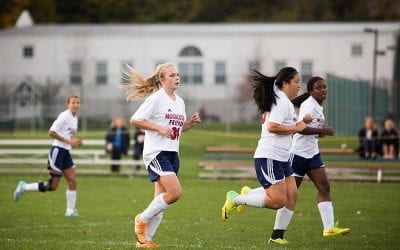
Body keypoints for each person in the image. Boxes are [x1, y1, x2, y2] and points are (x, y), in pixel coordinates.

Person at [220, 67, 306, 245]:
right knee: (277, 201)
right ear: (285, 83)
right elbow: (272, 126)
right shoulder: (281, 102)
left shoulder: (284, 101)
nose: (299, 85)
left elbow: (284, 126)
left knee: (292, 195)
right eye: (296, 82)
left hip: (281, 157)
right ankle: (236, 199)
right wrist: (296, 128)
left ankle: (277, 237)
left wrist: (301, 125)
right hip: (270, 157)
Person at [121, 62, 201, 248]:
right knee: (174, 193)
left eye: (177, 74)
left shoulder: (179, 102)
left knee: (160, 201)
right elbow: (135, 120)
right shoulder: (156, 99)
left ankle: (144, 241)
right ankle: (141, 219)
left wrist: (190, 123)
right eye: (172, 75)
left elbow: (177, 130)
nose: (177, 78)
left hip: (172, 153)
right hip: (156, 153)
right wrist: (158, 127)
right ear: (162, 79)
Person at [261, 76, 349, 243]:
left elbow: (311, 129)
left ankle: (328, 228)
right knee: (287, 195)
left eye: (325, 87)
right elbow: (300, 128)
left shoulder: (318, 106)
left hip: (312, 154)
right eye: (319, 88)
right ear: (311, 91)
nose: (323, 90)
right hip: (298, 155)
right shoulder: (308, 104)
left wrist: (319, 132)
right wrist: (323, 130)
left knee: (324, 187)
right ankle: (275, 232)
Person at [13, 95, 83, 217]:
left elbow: (68, 137)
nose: (76, 105)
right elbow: (51, 132)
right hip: (57, 151)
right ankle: (24, 187)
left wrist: (75, 141)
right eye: (73, 102)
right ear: (68, 104)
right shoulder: (64, 116)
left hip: (66, 152)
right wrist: (68, 141)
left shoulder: (75, 118)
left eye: (78, 103)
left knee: (72, 182)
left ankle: (70, 211)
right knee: (52, 186)